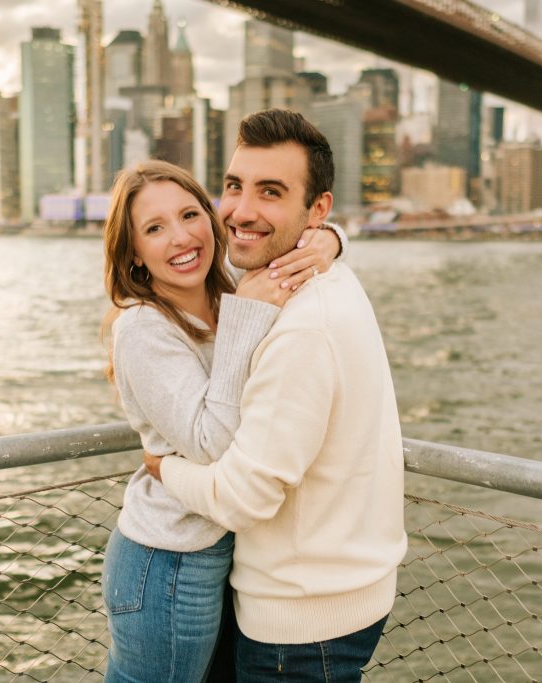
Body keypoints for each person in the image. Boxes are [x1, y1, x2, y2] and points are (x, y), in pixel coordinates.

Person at [145, 109, 408, 682]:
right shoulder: (320, 275)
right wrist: (335, 243)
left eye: (271, 192)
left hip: (299, 622)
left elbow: (242, 498)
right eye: (234, 186)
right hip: (338, 592)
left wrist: (161, 468)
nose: (241, 210)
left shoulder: (301, 327)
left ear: (317, 211)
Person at [100, 159, 345, 682]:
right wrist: (244, 318)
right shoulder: (143, 328)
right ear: (135, 254)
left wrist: (330, 241)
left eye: (190, 214)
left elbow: (301, 238)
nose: (181, 237)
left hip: (223, 553)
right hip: (166, 562)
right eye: (154, 228)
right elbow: (213, 444)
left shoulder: (229, 292)